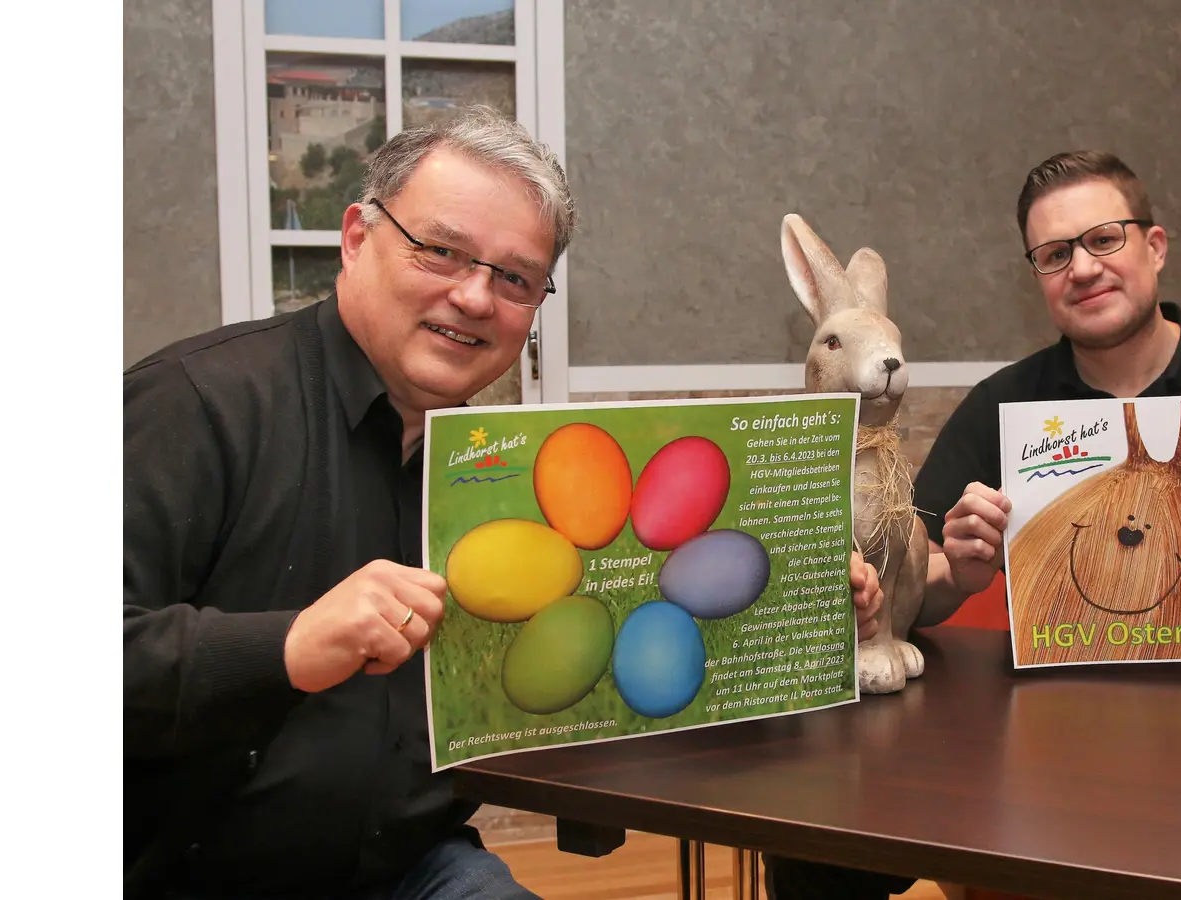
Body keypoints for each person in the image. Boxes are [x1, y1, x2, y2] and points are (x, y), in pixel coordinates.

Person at [124, 105, 886, 900]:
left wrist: (800, 613)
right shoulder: (194, 405)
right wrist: (287, 645)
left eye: (515, 277)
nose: (476, 297)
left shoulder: (498, 468)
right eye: (439, 251)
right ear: (355, 238)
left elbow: (606, 659)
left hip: (410, 866)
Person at [762, 150, 1181, 898]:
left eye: (1104, 239)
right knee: (816, 843)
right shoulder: (1001, 409)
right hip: (1053, 748)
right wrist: (963, 568)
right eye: (1054, 254)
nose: (1081, 267)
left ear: (1156, 246)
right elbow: (919, 590)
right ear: (1040, 277)